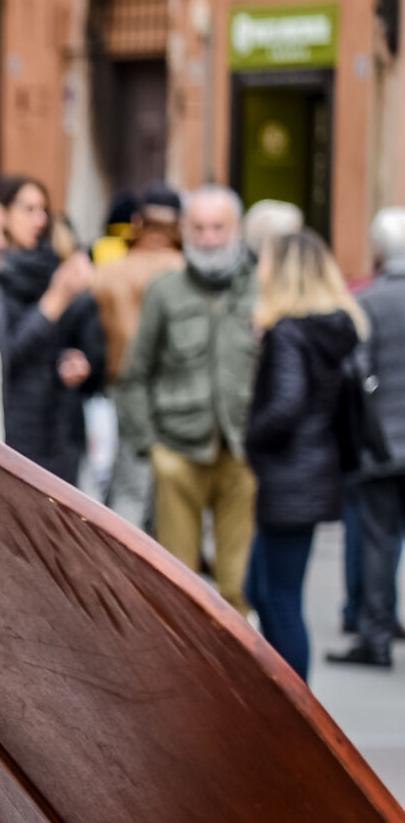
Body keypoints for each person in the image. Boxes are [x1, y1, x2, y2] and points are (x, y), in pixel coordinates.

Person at [123, 186, 259, 608]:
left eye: (218, 227)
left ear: (235, 230)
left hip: (242, 450)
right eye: (198, 227)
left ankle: (232, 671)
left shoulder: (259, 289)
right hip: (178, 450)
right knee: (179, 584)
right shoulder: (165, 291)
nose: (209, 237)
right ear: (184, 230)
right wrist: (151, 446)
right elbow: (135, 373)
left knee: (238, 584)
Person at [244, 230, 370, 681]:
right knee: (261, 589)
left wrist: (251, 436)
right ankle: (284, 698)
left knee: (278, 597)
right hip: (312, 473)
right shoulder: (333, 329)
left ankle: (296, 709)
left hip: (290, 478)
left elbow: (285, 405)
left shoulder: (289, 333)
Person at [0, 173, 99, 482]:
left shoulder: (49, 266)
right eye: (27, 209)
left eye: (42, 209)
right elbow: (2, 354)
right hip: (12, 428)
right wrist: (55, 300)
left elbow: (76, 341)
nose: (39, 219)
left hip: (55, 424)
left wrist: (72, 361)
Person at [332, 209, 405, 669]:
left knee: (379, 541)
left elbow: (355, 373)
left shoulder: (369, 302)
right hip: (385, 442)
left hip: (382, 445)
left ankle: (376, 638)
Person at [91, 186, 185, 523]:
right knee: (171, 495)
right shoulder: (188, 273)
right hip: (179, 392)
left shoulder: (107, 273)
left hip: (123, 385)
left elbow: (93, 338)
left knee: (129, 486)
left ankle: (120, 569)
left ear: (137, 222)